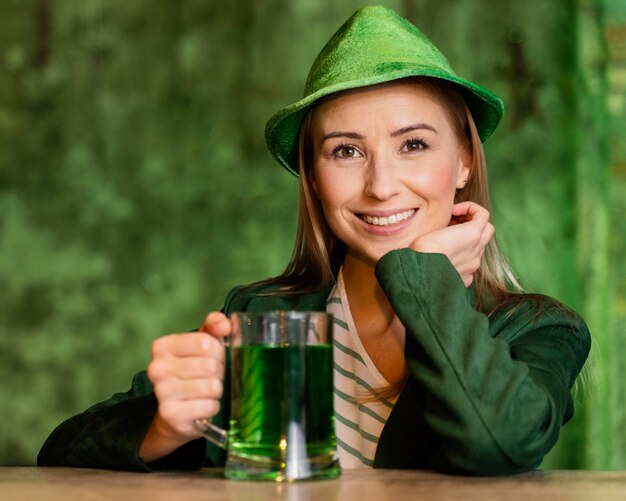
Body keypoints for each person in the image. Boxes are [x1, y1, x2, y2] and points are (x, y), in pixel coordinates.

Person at [38, 5, 590, 475]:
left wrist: (424, 275)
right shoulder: (261, 317)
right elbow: (62, 452)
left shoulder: (539, 328)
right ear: (314, 176)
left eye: (414, 145)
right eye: (345, 151)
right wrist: (163, 427)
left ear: (464, 161)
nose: (380, 186)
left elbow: (499, 443)